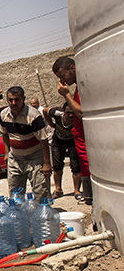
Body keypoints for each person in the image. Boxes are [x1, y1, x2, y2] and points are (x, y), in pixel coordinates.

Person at [0, 86, 51, 202]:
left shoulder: (33, 115)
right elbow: (5, 134)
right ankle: (20, 217)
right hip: (15, 158)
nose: (13, 103)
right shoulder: (3, 115)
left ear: (23, 99)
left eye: (17, 99)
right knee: (15, 193)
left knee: (40, 191)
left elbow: (43, 140)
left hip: (35, 157)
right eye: (10, 100)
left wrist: (46, 163)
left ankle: (42, 217)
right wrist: (7, 153)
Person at [53, 56, 92, 205]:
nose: (62, 80)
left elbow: (82, 113)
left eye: (63, 76)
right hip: (81, 143)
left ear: (72, 68)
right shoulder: (77, 87)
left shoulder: (81, 87)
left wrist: (66, 95)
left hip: (86, 145)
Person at [42, 103, 82, 199]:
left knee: (76, 166)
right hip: (58, 141)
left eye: (72, 113)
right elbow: (45, 111)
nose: (71, 115)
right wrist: (51, 124)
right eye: (68, 113)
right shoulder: (57, 113)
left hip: (72, 141)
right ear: (64, 112)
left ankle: (76, 190)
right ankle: (58, 189)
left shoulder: (77, 116)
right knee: (57, 166)